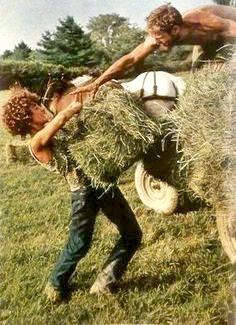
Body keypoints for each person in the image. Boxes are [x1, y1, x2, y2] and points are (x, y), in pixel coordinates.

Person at [2, 86, 142, 302]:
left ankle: (104, 283)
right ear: (27, 118)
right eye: (36, 107)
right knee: (80, 243)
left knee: (132, 234)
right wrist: (69, 110)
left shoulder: (56, 129)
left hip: (101, 182)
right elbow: (60, 120)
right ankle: (55, 284)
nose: (42, 107)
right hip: (83, 195)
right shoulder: (36, 143)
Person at [72, 4, 236, 99]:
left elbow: (231, 30)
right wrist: (97, 83)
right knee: (199, 85)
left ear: (175, 30)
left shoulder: (202, 20)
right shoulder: (158, 35)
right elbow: (130, 59)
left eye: (159, 37)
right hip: (204, 45)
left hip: (230, 34)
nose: (156, 42)